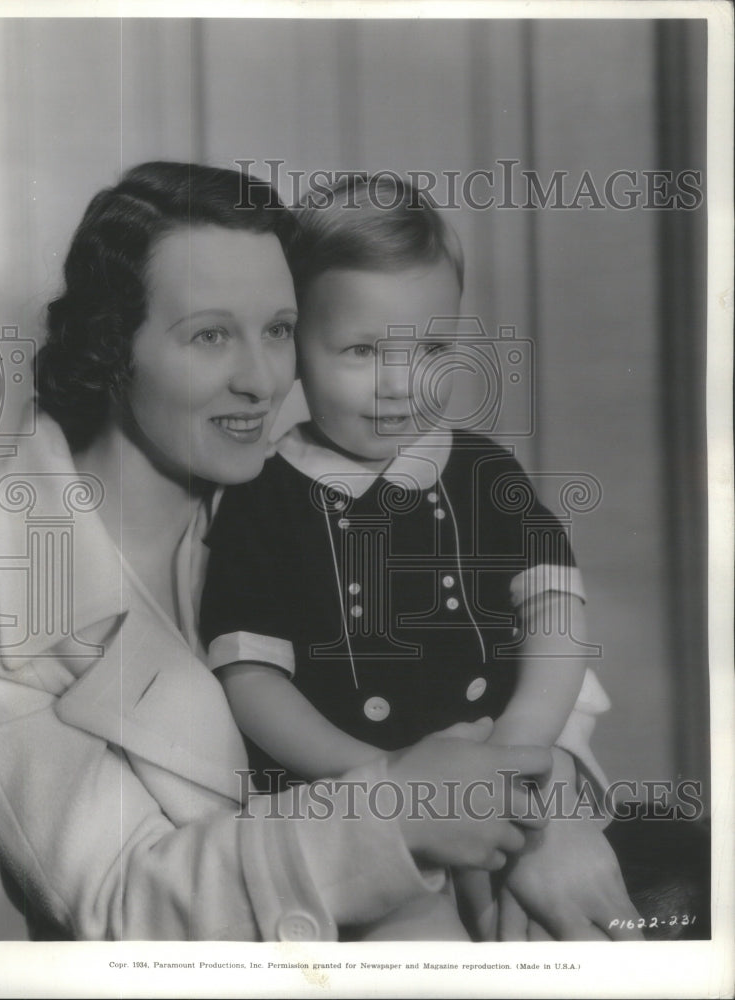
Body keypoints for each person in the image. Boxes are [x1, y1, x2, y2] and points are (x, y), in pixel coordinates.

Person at [0, 160, 569, 942]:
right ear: (109, 346)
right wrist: (393, 809)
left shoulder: (323, 490)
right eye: (210, 336)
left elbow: (535, 678)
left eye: (279, 331)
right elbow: (131, 905)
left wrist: (546, 828)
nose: (263, 380)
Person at [199, 176, 623, 940]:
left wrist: (516, 750)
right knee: (414, 947)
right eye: (360, 350)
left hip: (509, 767)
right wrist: (381, 784)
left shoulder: (483, 472)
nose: (398, 384)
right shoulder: (262, 499)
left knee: (549, 935)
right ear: (295, 346)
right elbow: (252, 677)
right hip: (364, 813)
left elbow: (556, 614)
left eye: (429, 349)